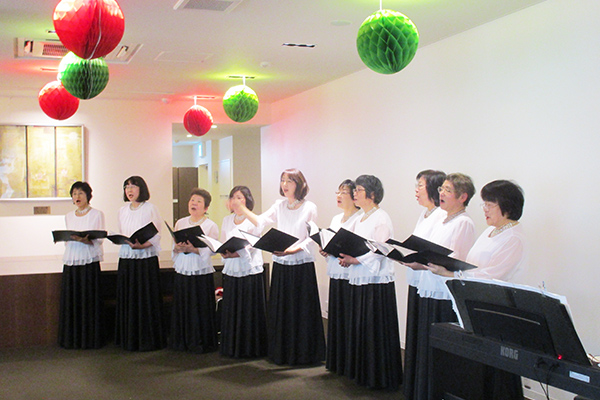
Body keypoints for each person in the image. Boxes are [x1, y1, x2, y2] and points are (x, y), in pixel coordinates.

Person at [426, 179, 527, 400]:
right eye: (484, 204)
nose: (485, 209)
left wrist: (452, 274)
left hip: (495, 310)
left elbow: (491, 275)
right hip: (473, 303)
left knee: (492, 372)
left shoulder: (514, 237)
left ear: (507, 205)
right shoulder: (491, 231)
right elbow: (472, 264)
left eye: (489, 204)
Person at [236, 168, 325, 366]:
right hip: (282, 263)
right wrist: (243, 209)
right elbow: (260, 222)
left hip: (301, 264)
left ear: (299, 184)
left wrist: (293, 250)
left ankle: (304, 353)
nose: (285, 185)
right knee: (282, 309)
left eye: (289, 181)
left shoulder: (309, 207)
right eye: (282, 180)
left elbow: (311, 237)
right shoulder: (279, 205)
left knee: (301, 310)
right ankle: (282, 351)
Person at [405, 172, 477, 400]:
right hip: (429, 286)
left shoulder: (464, 222)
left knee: (439, 353)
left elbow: (458, 263)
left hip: (443, 293)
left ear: (463, 197)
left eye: (448, 190)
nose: (442, 194)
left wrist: (432, 264)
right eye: (441, 189)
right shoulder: (443, 218)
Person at [338, 175, 402, 390]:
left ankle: (378, 376)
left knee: (374, 330)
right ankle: (363, 372)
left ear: (372, 194)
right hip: (360, 279)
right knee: (361, 328)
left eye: (359, 190)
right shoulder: (360, 218)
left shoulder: (381, 217)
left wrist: (355, 260)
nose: (354, 193)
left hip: (376, 283)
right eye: (354, 190)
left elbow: (380, 250)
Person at [402, 170, 446, 399]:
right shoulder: (425, 214)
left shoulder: (441, 215)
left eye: (420, 185)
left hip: (432, 283)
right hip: (418, 279)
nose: (416, 190)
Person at [114, 176, 165, 351]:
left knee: (145, 298)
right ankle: (128, 338)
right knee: (129, 298)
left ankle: (147, 339)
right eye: (126, 187)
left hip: (145, 259)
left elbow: (157, 234)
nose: (129, 190)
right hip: (127, 259)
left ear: (141, 189)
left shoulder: (150, 208)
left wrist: (143, 245)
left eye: (133, 186)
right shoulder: (122, 210)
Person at [220, 186, 268, 358]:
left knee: (248, 309)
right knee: (232, 307)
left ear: (247, 200)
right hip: (232, 268)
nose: (235, 201)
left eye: (239, 197)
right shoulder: (227, 220)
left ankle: (250, 348)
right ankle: (231, 346)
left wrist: (237, 253)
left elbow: (254, 244)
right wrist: (224, 251)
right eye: (233, 197)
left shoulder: (253, 219)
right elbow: (223, 240)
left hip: (248, 269)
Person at [320, 179, 362, 375]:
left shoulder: (360, 218)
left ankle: (350, 362)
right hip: (336, 272)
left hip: (350, 274)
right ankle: (338, 360)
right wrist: (326, 250)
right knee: (336, 317)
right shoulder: (336, 219)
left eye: (343, 192)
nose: (339, 196)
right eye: (337, 192)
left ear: (354, 197)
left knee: (349, 318)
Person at [170, 188, 219, 353]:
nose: (194, 203)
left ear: (206, 207)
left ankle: (201, 342)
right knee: (183, 305)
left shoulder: (210, 225)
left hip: (200, 270)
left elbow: (212, 250)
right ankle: (182, 341)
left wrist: (194, 249)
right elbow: (174, 246)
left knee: (200, 307)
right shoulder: (181, 222)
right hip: (183, 268)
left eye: (199, 201)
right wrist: (178, 248)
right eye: (192, 200)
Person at [58, 181, 105, 349]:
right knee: (73, 299)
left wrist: (85, 240)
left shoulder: (97, 214)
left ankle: (90, 338)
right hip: (72, 260)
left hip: (88, 260)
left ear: (88, 196)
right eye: (74, 194)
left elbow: (99, 239)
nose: (77, 197)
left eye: (80, 193)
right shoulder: (69, 216)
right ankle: (72, 338)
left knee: (88, 299)